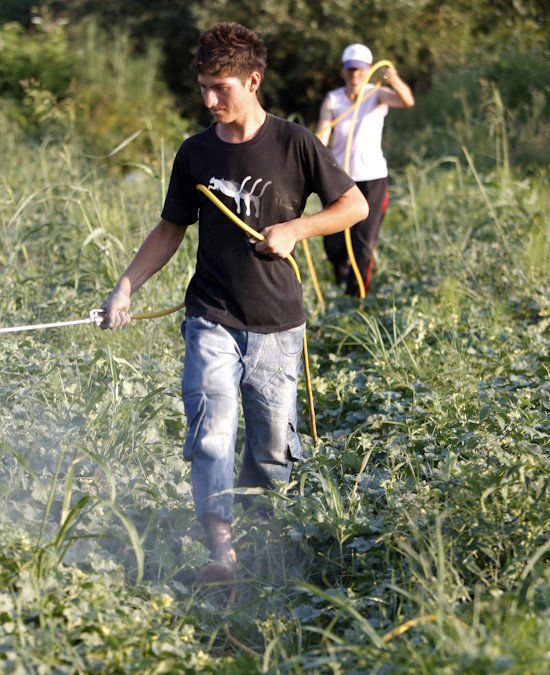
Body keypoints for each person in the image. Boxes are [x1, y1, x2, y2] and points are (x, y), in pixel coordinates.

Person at [98, 23, 368, 583]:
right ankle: (222, 555)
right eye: (202, 87)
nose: (209, 99)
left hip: (276, 325)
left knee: (272, 453)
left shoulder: (295, 143)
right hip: (211, 317)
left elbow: (354, 205)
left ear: (253, 79)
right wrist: (126, 286)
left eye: (220, 87)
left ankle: (268, 547)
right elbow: (170, 229)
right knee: (212, 433)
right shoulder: (195, 153)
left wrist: (297, 228)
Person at [316, 43, 414, 297]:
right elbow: (323, 133)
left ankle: (355, 300)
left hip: (372, 180)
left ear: (369, 70)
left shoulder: (377, 94)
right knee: (334, 242)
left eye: (360, 70)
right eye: (350, 70)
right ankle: (342, 275)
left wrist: (394, 79)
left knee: (364, 242)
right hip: (340, 179)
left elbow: (407, 101)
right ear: (343, 70)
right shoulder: (334, 99)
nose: (355, 75)